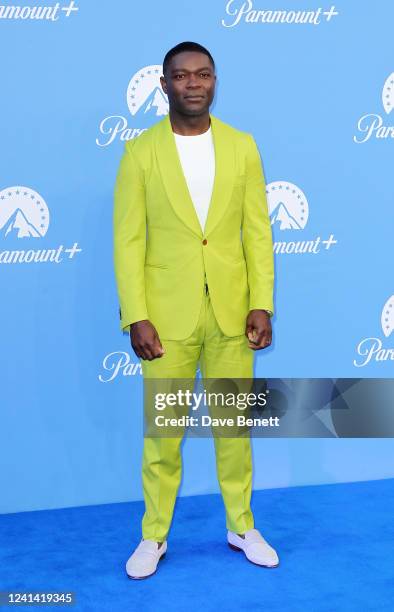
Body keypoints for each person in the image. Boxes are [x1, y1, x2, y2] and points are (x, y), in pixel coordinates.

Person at [113, 41, 279, 579]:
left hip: (232, 314)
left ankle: (241, 525)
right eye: (181, 76)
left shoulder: (243, 147)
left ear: (214, 81)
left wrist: (261, 302)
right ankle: (154, 536)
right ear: (164, 84)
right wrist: (135, 313)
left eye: (202, 74)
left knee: (235, 430)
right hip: (165, 321)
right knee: (163, 435)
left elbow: (258, 232)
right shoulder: (140, 153)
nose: (193, 84)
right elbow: (128, 242)